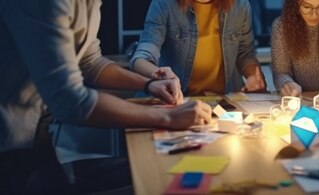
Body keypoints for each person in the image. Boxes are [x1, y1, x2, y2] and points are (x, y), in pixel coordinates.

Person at [0, 0, 212, 193]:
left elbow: (90, 62)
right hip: (9, 139)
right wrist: (168, 118)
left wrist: (149, 84)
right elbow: (70, 100)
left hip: (37, 132)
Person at [131, 0, 266, 96]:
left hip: (224, 102)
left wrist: (252, 76)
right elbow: (141, 58)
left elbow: (245, 54)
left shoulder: (240, 5)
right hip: (178, 100)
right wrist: (160, 74)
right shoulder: (164, 4)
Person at [271, 0, 319, 99]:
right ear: (295, 4)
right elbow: (281, 72)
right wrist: (286, 83)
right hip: (297, 99)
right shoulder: (281, 26)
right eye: (307, 7)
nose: (314, 15)